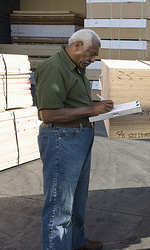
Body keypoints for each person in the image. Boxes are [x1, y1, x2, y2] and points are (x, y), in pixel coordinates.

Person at [35, 29, 114, 250]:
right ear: (77, 45)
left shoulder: (75, 67)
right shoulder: (54, 68)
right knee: (59, 206)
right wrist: (92, 109)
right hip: (62, 139)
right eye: (92, 53)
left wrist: (99, 110)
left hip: (77, 137)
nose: (93, 59)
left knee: (77, 200)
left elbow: (73, 104)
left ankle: (76, 241)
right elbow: (48, 114)